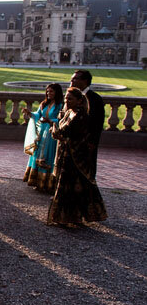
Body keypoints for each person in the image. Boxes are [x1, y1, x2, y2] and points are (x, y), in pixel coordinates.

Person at [46, 88, 107, 227]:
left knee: (72, 187)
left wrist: (55, 130)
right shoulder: (69, 112)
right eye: (66, 98)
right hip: (66, 154)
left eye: (70, 99)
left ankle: (69, 217)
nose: (67, 101)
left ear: (80, 101)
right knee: (69, 187)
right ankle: (69, 217)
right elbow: (61, 132)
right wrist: (57, 131)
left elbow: (63, 132)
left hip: (76, 158)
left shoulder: (80, 116)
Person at [22, 83, 63, 192]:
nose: (49, 93)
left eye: (51, 91)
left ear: (57, 92)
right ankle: (38, 182)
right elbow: (38, 115)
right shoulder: (44, 104)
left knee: (48, 156)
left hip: (51, 134)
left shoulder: (60, 105)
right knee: (38, 154)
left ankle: (48, 184)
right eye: (47, 91)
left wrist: (50, 121)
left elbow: (62, 120)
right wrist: (30, 113)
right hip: (41, 134)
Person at [70, 70, 104, 178]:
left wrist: (93, 141)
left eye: (75, 78)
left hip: (86, 140)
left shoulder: (95, 99)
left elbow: (98, 123)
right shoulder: (70, 97)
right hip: (72, 140)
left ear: (85, 81)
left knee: (86, 168)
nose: (72, 80)